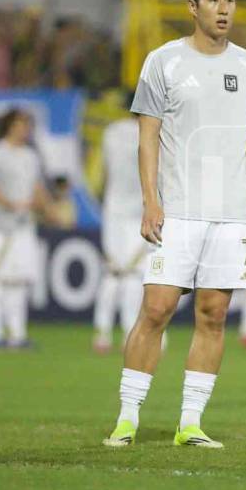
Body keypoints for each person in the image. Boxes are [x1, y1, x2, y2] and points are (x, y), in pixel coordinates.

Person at [102, 0, 246, 448]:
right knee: (156, 308)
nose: (224, 9)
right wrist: (150, 202)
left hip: (230, 216)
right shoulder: (164, 62)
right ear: (192, 6)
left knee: (213, 315)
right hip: (178, 210)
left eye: (230, 0)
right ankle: (127, 417)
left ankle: (190, 423)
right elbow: (148, 138)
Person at [0, 108, 59, 349]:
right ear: (9, 126)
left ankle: (17, 333)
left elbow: (36, 188)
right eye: (20, 124)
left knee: (21, 279)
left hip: (25, 226)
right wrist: (10, 203)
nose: (25, 129)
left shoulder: (30, 156)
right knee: (1, 279)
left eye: (27, 125)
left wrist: (50, 210)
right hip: (1, 227)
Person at [93, 112, 150, 353]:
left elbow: (104, 172)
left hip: (113, 210)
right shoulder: (152, 132)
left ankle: (102, 334)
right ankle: (130, 332)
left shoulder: (111, 132)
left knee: (113, 272)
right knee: (135, 274)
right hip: (140, 210)